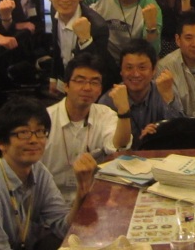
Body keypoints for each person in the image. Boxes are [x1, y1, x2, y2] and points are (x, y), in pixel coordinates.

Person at [0, 97, 97, 250]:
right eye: (23, 133)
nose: (34, 140)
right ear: (1, 143)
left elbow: (63, 228)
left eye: (40, 132)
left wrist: (82, 192)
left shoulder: (38, 170)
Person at [42, 53, 131, 202]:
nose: (87, 88)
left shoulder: (105, 115)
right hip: (51, 202)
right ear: (66, 86)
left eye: (94, 82)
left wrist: (124, 111)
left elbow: (119, 146)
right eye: (80, 81)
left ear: (100, 89)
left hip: (94, 199)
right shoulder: (46, 119)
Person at [85, 0, 162, 78]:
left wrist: (151, 27)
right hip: (97, 60)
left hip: (131, 67)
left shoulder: (151, 7)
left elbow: (152, 51)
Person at [99, 39, 186, 148]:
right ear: (121, 71)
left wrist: (169, 98)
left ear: (154, 70)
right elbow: (107, 146)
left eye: (142, 67)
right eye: (129, 68)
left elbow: (181, 133)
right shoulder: (109, 100)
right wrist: (141, 140)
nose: (136, 74)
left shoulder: (163, 89)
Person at [46, 0, 111, 93]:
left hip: (91, 88)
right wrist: (53, 78)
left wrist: (85, 40)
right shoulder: (55, 10)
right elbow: (57, 50)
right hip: (66, 80)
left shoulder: (98, 26)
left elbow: (98, 68)